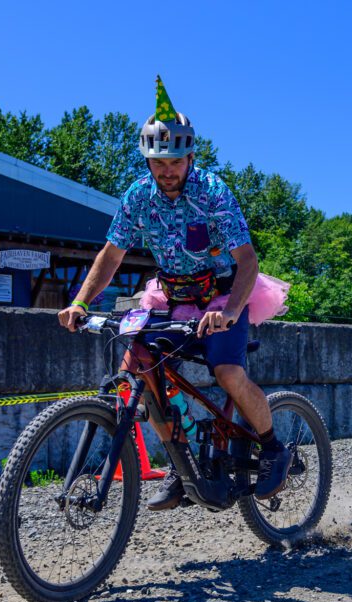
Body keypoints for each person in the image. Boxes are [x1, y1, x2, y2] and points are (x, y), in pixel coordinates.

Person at [57, 76, 290, 510]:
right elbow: (110, 256)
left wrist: (231, 311)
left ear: (191, 157)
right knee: (140, 365)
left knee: (227, 373)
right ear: (147, 161)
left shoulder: (214, 192)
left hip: (223, 296)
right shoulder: (137, 197)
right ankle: (185, 471)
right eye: (158, 162)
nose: (167, 171)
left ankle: (274, 448)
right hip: (171, 297)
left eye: (175, 162)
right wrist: (80, 302)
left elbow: (248, 261)